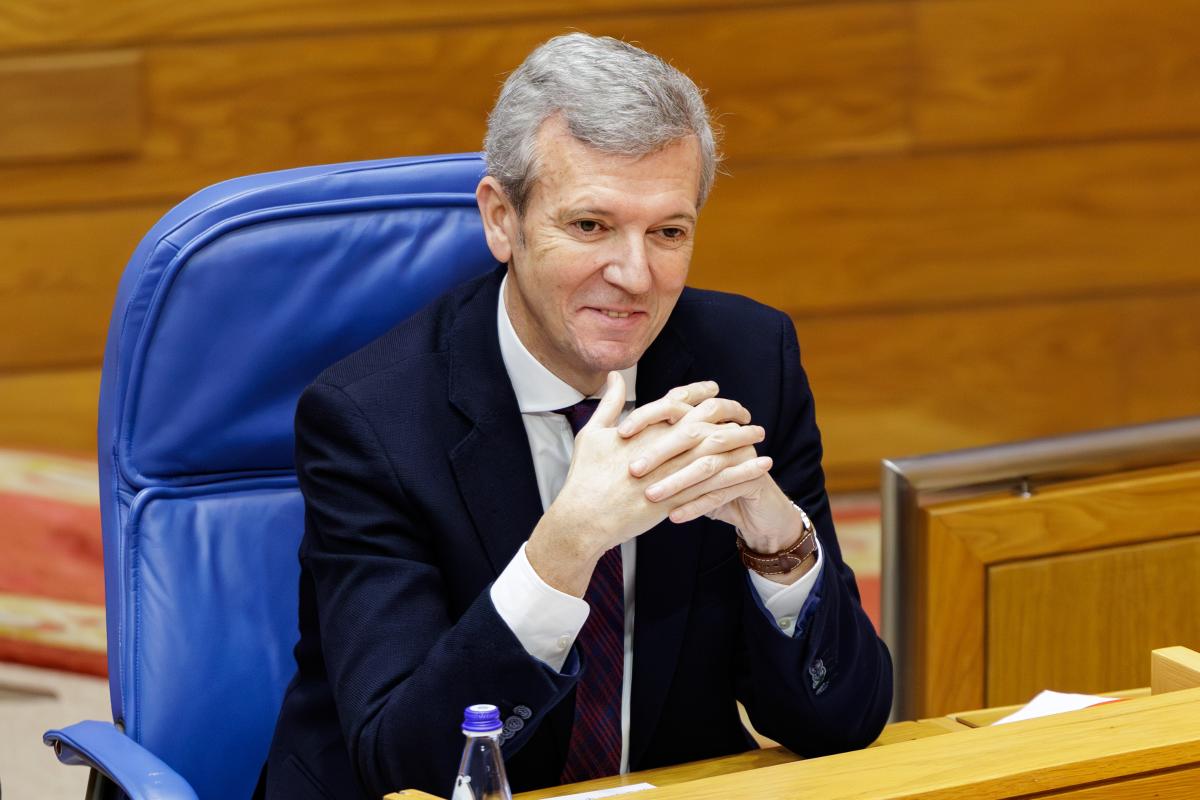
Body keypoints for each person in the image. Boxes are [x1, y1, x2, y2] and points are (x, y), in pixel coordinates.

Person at [262, 32, 891, 800]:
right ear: (502, 219)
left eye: (668, 232)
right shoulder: (371, 420)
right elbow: (407, 766)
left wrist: (777, 543)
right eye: (591, 226)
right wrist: (565, 548)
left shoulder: (749, 363)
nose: (635, 275)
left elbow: (844, 721)